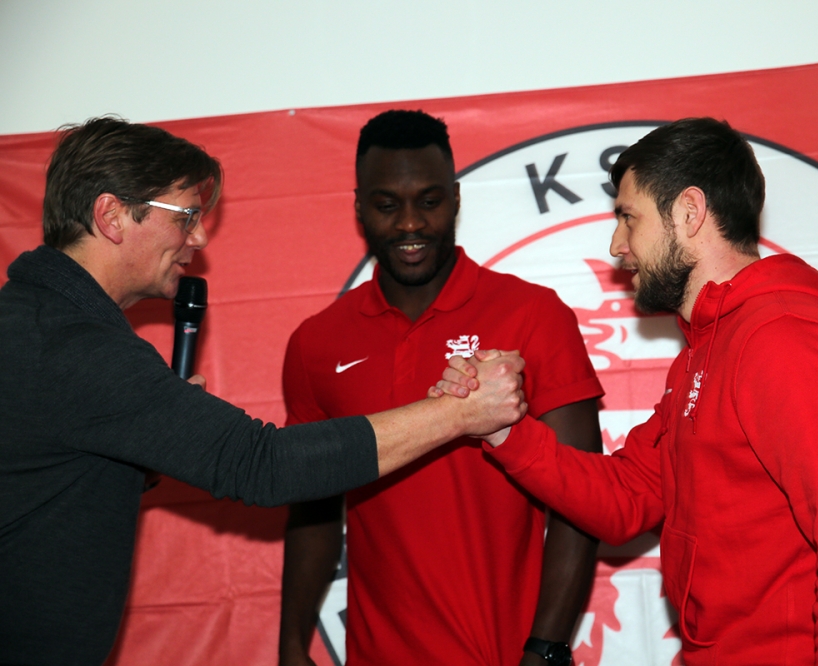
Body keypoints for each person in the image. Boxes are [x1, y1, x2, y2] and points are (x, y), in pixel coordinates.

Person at [0, 116, 527, 666]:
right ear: (111, 215)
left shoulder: (37, 322)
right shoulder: (74, 345)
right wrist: (459, 413)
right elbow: (265, 465)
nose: (199, 238)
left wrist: (142, 452)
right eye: (185, 217)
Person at [439, 117, 818, 664]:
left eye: (628, 217)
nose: (617, 244)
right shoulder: (707, 348)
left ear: (689, 212)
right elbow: (626, 499)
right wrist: (502, 429)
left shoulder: (785, 340)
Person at [278, 110, 603, 666]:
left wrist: (544, 650)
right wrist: (290, 645)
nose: (410, 223)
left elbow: (583, 498)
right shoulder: (316, 343)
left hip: (505, 653)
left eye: (428, 201)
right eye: (387, 205)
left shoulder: (532, 315)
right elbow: (314, 508)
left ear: (454, 199)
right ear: (359, 207)